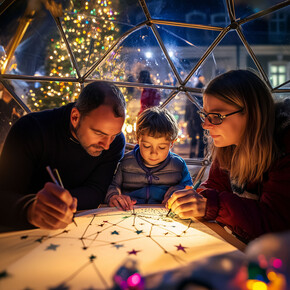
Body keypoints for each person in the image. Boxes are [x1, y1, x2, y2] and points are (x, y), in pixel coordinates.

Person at [166, 69, 290, 243]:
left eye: (216, 116)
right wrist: (194, 197)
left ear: (251, 114)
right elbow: (216, 186)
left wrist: (210, 205)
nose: (205, 125)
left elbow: (275, 223)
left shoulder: (284, 147)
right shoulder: (228, 146)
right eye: (205, 115)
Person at [0, 81, 126, 230]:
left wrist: (64, 203)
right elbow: (4, 194)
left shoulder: (115, 143)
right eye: (99, 133)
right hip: (19, 231)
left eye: (114, 135)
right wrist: (30, 208)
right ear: (75, 117)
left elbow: (96, 190)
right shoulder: (31, 129)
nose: (106, 145)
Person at [106, 107, 193, 210]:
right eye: (147, 146)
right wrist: (113, 196)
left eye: (162, 147)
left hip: (164, 214)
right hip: (130, 212)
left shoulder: (178, 165)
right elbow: (113, 185)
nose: (154, 153)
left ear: (171, 144)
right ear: (138, 139)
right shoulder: (126, 162)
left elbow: (188, 187)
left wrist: (176, 192)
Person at [185, 75, 205, 158]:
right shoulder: (203, 98)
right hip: (200, 120)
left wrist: (187, 119)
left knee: (194, 139)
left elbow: (187, 109)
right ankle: (200, 155)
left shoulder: (191, 97)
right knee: (201, 138)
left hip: (193, 120)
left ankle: (192, 154)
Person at [0, 82, 23, 153]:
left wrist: (16, 115)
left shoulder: (16, 104)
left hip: (8, 131)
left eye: (8, 92)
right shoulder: (1, 102)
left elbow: (19, 118)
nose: (6, 94)